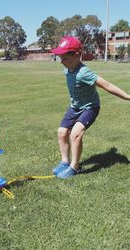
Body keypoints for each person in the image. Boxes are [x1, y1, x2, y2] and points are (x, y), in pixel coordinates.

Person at [51, 36, 130, 179]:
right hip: (75, 107)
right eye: (60, 58)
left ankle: (74, 167)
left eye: (64, 58)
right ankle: (64, 162)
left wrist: (126, 96)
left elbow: (107, 85)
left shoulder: (84, 73)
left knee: (76, 133)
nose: (61, 62)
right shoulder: (67, 70)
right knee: (62, 132)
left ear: (76, 55)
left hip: (90, 107)